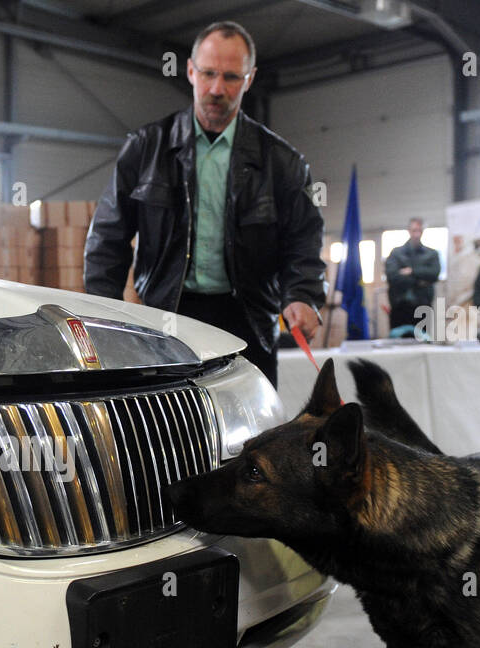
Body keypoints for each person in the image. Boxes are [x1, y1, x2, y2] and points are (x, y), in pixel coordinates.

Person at [83, 20, 325, 387]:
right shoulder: (147, 148)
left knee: (253, 437)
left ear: (250, 79)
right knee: (167, 429)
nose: (216, 89)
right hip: (167, 318)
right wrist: (103, 315)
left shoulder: (283, 162)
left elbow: (303, 240)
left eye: (231, 77)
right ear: (191, 71)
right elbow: (107, 237)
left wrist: (303, 294)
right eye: (209, 73)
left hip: (250, 321)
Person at [384, 217, 441, 333]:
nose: (416, 234)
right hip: (399, 307)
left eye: (419, 231)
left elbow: (434, 274)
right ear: (409, 231)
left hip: (423, 307)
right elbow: (392, 277)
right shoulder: (396, 253)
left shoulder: (431, 254)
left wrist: (411, 271)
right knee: (398, 344)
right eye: (414, 230)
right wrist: (420, 281)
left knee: (423, 344)